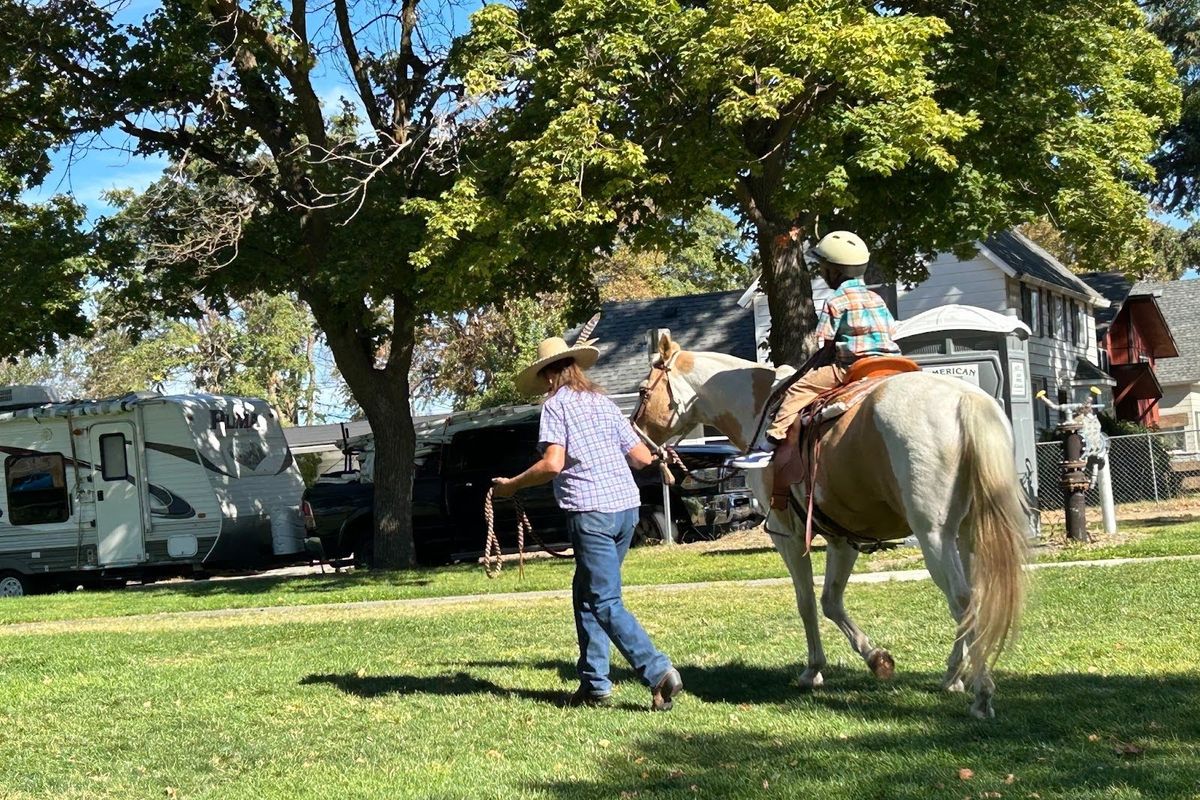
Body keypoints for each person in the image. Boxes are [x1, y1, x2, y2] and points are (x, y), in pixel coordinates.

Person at [491, 336, 684, 711]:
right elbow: (642, 457)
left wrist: (510, 486)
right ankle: (594, 683)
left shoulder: (556, 406)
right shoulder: (603, 402)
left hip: (590, 512)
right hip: (626, 510)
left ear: (548, 376)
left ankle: (658, 670)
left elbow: (552, 464)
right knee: (587, 594)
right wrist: (661, 453)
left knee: (604, 599)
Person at [731, 230, 901, 469]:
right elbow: (891, 331)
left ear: (834, 271)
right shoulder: (877, 298)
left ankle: (768, 446)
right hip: (892, 363)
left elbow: (828, 346)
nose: (821, 272)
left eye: (823, 267)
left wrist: (809, 370)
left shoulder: (837, 300)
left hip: (852, 366)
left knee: (796, 391)